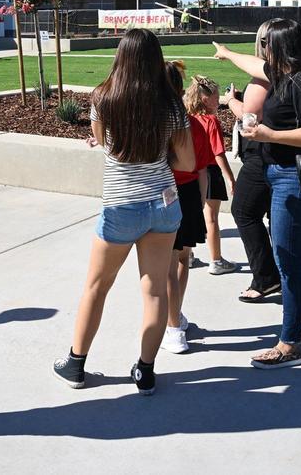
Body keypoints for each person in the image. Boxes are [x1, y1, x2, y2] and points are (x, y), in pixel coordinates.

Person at [52, 29, 195, 395]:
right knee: (155, 292)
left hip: (121, 204)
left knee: (97, 287)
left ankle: (76, 363)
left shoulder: (103, 97)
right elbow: (188, 161)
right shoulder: (172, 104)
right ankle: (145, 371)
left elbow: (105, 145)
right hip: (163, 204)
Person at [214, 18, 301, 369]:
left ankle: (288, 344)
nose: (263, 49)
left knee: (288, 261)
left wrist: (269, 136)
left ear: (282, 46)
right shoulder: (285, 73)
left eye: (268, 43)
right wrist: (226, 53)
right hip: (284, 176)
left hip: (293, 181)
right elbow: (252, 64)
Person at [221, 21, 280, 303]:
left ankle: (266, 278)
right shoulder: (298, 73)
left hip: (262, 155)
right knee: (274, 218)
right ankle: (279, 274)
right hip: (284, 156)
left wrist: (231, 100)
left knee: (244, 212)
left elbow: (248, 117)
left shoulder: (265, 77)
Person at [160, 61, 211, 355]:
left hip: (167, 192)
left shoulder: (156, 124)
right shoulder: (195, 124)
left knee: (170, 264)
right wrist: (201, 202)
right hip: (190, 193)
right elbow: (202, 169)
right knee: (182, 259)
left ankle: (173, 326)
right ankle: (175, 316)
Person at [184, 75, 238, 275]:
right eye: (216, 97)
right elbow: (218, 153)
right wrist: (231, 178)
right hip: (211, 172)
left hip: (192, 172)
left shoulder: (189, 119)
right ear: (205, 99)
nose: (219, 100)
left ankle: (187, 255)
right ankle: (216, 260)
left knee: (191, 214)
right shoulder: (211, 121)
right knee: (211, 218)